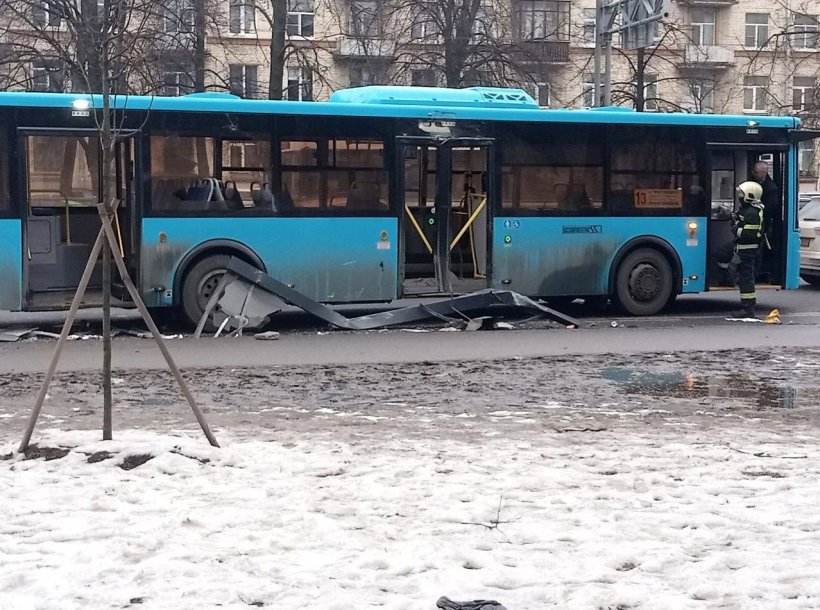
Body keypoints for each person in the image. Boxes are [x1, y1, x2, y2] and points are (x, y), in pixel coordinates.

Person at [729, 181, 766, 318]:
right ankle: (747, 308)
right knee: (743, 278)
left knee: (746, 279)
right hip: (743, 249)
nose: (739, 195)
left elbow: (748, 234)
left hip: (747, 251)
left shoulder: (752, 212)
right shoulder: (748, 210)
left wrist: (735, 228)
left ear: (749, 195)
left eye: (742, 194)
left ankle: (748, 309)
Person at [751, 160, 780, 283]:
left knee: (758, 249)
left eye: (756, 172)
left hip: (763, 224)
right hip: (754, 222)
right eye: (753, 171)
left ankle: (755, 273)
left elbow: (770, 207)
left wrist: (757, 207)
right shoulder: (754, 183)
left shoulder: (771, 188)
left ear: (764, 173)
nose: (753, 174)